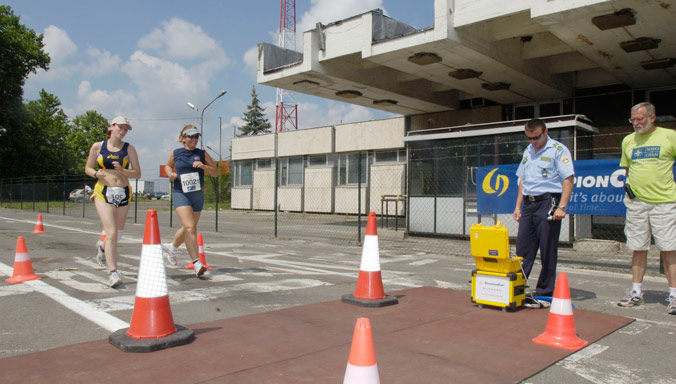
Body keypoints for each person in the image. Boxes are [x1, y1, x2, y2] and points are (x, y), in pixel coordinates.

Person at [617, 102, 676, 315]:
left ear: (652, 117)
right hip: (636, 203)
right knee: (638, 247)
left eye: (640, 119)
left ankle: (674, 295)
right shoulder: (628, 140)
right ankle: (635, 292)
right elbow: (627, 167)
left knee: (669, 248)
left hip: (665, 202)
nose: (635, 123)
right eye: (632, 119)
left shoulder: (670, 136)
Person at [513, 118, 575, 307]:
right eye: (529, 138)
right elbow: (522, 179)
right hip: (529, 203)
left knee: (547, 247)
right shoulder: (528, 150)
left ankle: (545, 292)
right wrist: (518, 206)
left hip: (549, 200)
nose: (532, 141)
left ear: (545, 132)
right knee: (523, 248)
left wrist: (562, 206)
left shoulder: (558, 150)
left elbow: (568, 179)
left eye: (536, 138)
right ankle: (517, 287)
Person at [84, 116, 141, 288]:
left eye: (126, 129)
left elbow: (137, 173)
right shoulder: (98, 146)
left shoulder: (129, 149)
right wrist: (95, 174)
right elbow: (87, 167)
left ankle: (102, 248)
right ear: (112, 126)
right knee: (111, 233)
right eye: (120, 127)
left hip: (123, 192)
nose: (123, 131)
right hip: (104, 192)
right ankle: (113, 272)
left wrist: (124, 171)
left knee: (118, 233)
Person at [163, 125, 219, 277]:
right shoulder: (176, 153)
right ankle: (197, 263)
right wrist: (170, 173)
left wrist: (204, 166)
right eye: (190, 136)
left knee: (189, 227)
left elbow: (215, 173)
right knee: (190, 227)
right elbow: (168, 166)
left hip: (197, 195)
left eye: (196, 136)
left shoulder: (202, 153)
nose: (194, 139)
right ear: (183, 138)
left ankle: (172, 247)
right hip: (180, 192)